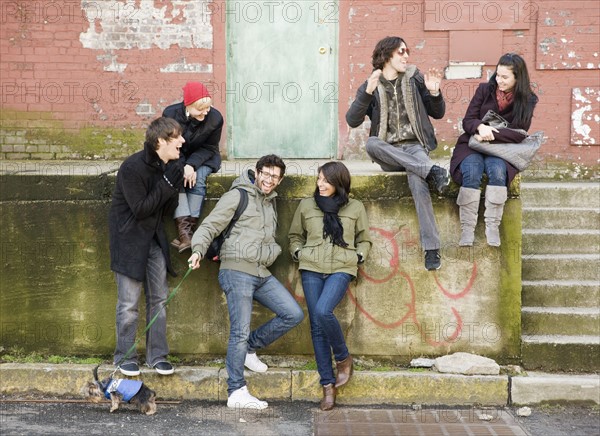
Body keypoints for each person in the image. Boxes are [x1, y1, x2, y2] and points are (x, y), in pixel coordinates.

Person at [188, 154, 304, 409]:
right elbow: (209, 226)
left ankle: (250, 349)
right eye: (266, 174)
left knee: (293, 313)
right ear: (257, 171)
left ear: (280, 180)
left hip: (261, 272)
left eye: (275, 177)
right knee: (239, 330)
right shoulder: (238, 195)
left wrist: (272, 251)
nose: (270, 180)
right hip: (236, 270)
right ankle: (236, 391)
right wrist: (197, 250)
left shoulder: (270, 202)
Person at [346, 36, 449, 271]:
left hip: (415, 147)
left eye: (408, 51)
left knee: (417, 179)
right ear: (387, 55)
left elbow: (438, 113)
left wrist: (434, 93)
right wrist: (367, 93)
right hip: (389, 151)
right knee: (372, 143)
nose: (406, 56)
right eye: (401, 52)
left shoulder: (415, 78)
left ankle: (431, 249)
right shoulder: (371, 83)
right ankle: (431, 170)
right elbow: (352, 120)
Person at [288, 162, 372, 411]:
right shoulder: (307, 205)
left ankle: (344, 359)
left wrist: (358, 257)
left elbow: (364, 239)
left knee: (324, 311)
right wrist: (298, 252)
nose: (320, 184)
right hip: (311, 267)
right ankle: (328, 386)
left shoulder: (355, 207)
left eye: (326, 180)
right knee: (316, 326)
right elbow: (294, 236)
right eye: (318, 179)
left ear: (339, 182)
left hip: (341, 267)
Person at [108, 117, 185, 376]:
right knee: (129, 303)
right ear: (161, 141)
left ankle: (157, 355)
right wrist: (168, 184)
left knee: (159, 299)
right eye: (177, 137)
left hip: (153, 240)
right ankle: (125, 357)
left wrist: (173, 185)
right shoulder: (132, 168)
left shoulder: (170, 166)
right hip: (129, 241)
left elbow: (167, 209)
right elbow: (141, 209)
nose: (182, 142)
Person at [450, 53, 538, 247]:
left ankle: (492, 226)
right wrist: (480, 128)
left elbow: (520, 133)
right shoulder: (485, 89)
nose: (499, 80)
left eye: (505, 77)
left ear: (518, 78)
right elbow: (468, 120)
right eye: (497, 75)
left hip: (502, 149)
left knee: (498, 172)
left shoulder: (528, 99)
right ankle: (467, 228)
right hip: (472, 144)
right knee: (471, 172)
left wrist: (490, 133)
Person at [163, 81, 223, 253]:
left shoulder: (215, 118)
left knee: (200, 179)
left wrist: (191, 165)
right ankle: (186, 236)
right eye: (200, 109)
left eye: (208, 108)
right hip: (175, 156)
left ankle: (186, 235)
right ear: (188, 105)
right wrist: (183, 166)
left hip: (205, 157)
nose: (205, 112)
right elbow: (170, 144)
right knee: (177, 178)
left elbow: (210, 147)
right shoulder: (170, 114)